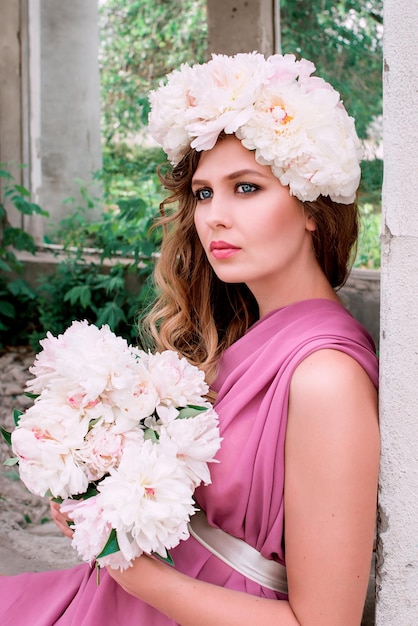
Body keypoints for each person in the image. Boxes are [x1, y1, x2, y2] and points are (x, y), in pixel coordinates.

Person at [0, 52, 379, 626]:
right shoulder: (244, 333)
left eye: (246, 188)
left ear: (310, 207)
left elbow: (324, 623)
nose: (214, 218)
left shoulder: (325, 378)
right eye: (203, 194)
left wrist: (121, 559)